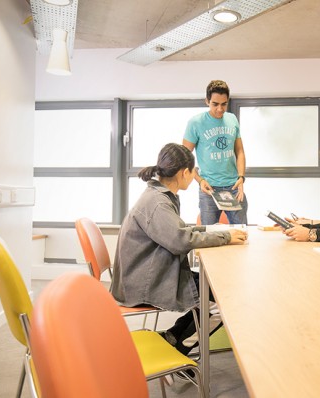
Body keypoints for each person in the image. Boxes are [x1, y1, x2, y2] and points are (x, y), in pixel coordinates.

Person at [111, 143, 248, 355]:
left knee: (214, 292)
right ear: (185, 173)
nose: (194, 176)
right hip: (144, 282)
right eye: (194, 172)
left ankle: (172, 337)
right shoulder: (158, 202)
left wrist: (214, 229)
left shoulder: (159, 195)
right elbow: (181, 241)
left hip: (148, 272)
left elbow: (179, 229)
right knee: (222, 304)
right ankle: (180, 349)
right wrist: (225, 236)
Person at [183, 80, 248, 225]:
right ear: (207, 101)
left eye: (224, 104)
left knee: (242, 233)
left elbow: (240, 151)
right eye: (215, 104)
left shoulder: (232, 119)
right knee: (209, 237)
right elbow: (184, 157)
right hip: (209, 189)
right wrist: (200, 181)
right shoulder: (195, 123)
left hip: (233, 187)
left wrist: (241, 177)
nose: (220, 109)